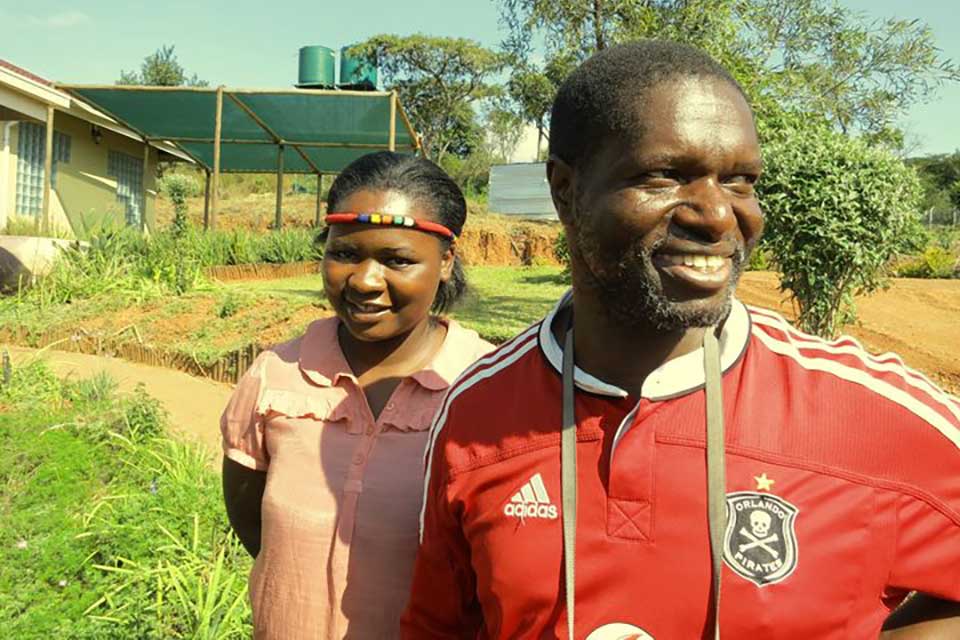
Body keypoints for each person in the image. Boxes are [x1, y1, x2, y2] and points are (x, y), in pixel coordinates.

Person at [402, 41, 960, 639]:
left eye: (741, 181)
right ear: (565, 190)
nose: (718, 216)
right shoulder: (477, 415)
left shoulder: (867, 414)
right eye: (666, 174)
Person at [221, 151, 493, 639]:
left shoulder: (485, 389)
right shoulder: (274, 379)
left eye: (397, 260)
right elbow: (254, 527)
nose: (365, 281)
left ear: (446, 261)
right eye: (345, 253)